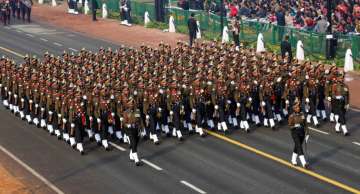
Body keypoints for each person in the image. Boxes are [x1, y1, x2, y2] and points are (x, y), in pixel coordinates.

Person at [288, 99, 309, 169]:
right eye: (296, 107)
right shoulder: (291, 116)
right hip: (295, 132)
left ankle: (293, 159)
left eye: (298, 107)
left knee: (297, 146)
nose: (298, 108)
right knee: (299, 147)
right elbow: (290, 126)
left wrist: (307, 133)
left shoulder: (302, 114)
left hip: (302, 132)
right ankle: (304, 163)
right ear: (294, 108)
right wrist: (295, 126)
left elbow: (305, 124)